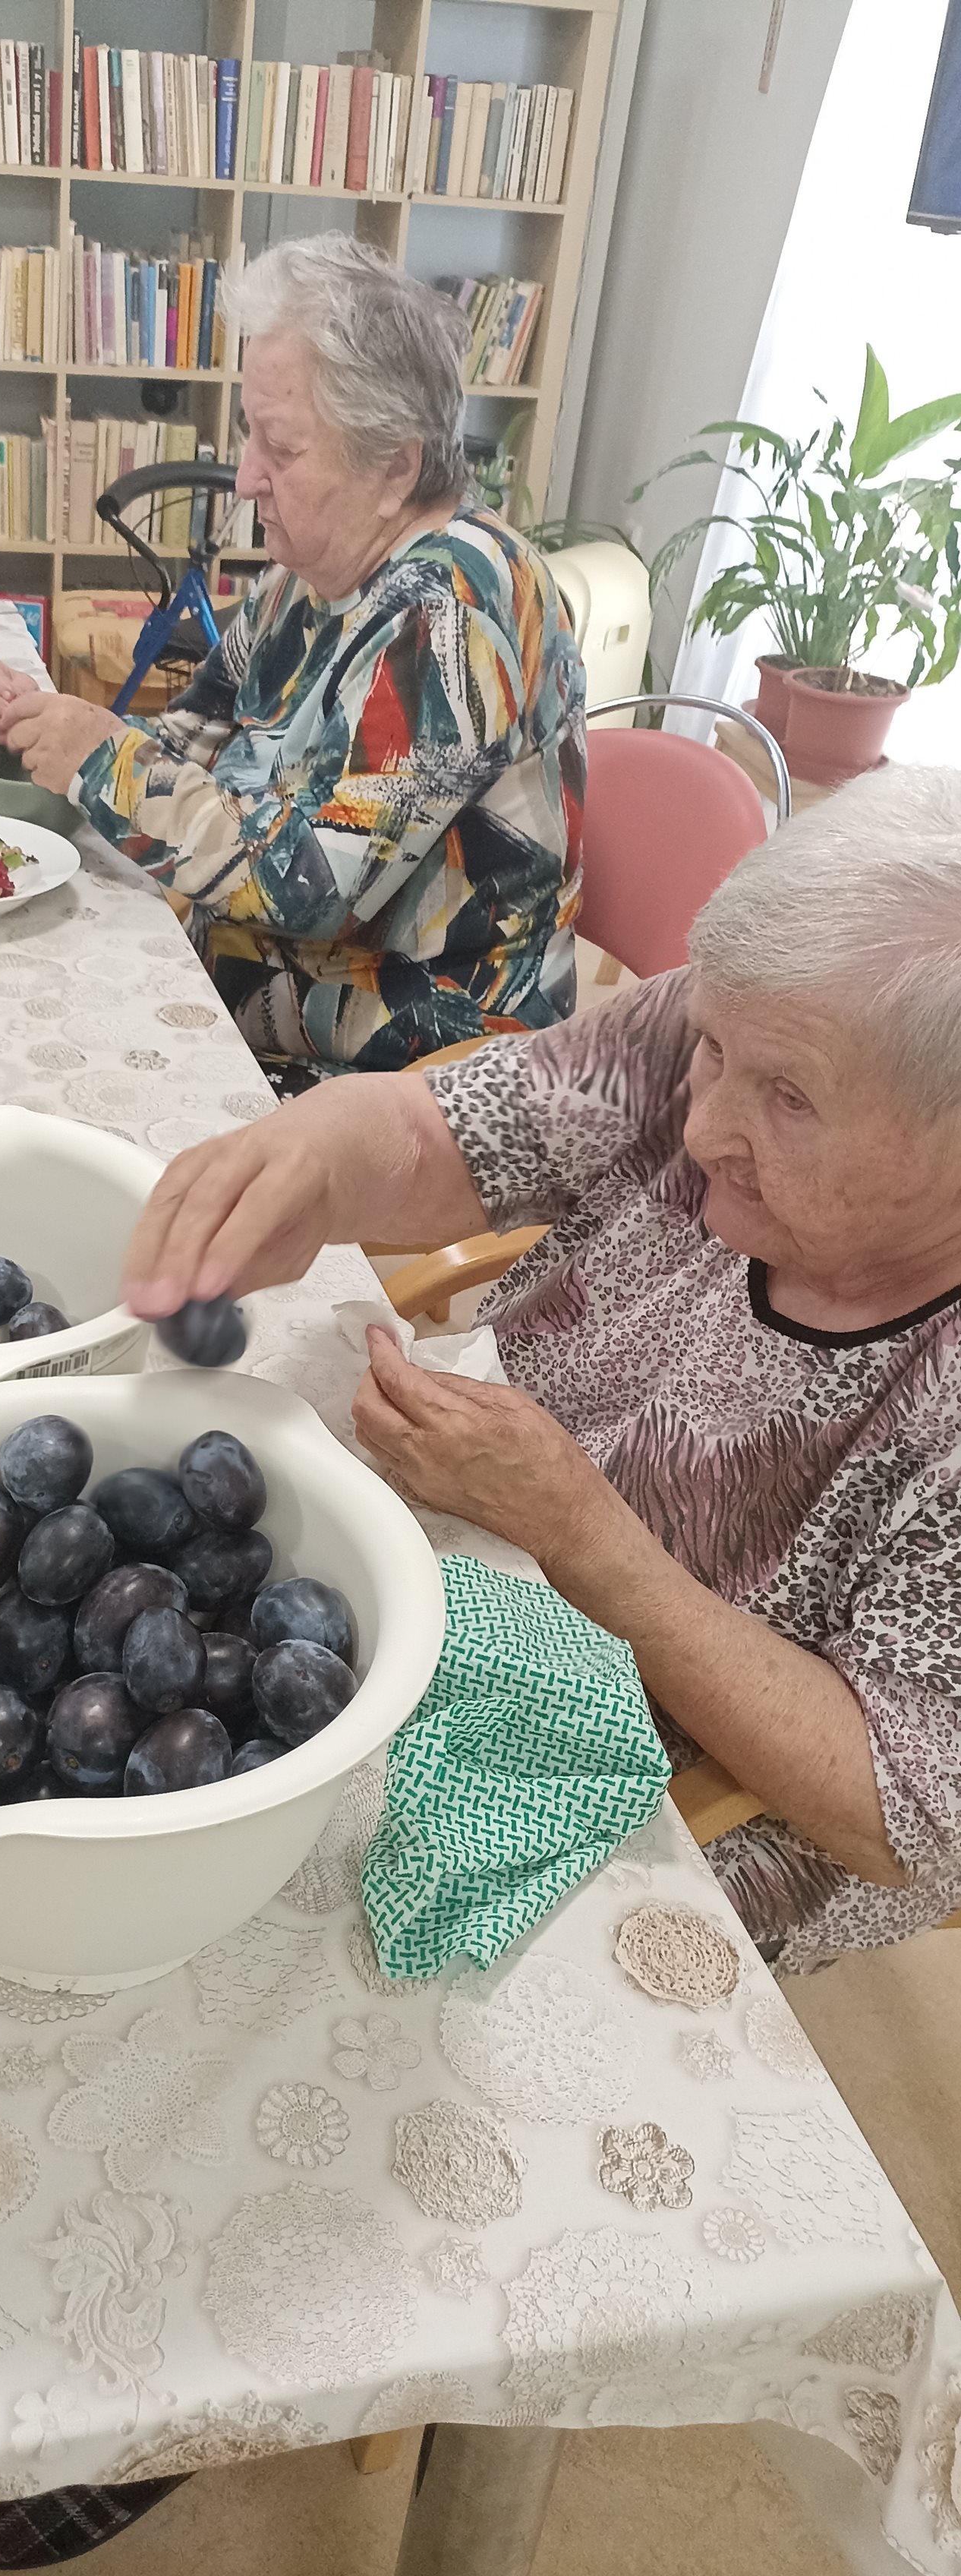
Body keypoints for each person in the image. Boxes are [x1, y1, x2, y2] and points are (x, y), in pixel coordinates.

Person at [122, 765, 961, 1975]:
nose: (703, 1126)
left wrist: (580, 1534)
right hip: (469, 1518)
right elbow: (454, 1134)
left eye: (788, 1100)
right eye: (712, 1049)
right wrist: (319, 1153)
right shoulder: (762, 1014)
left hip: (671, 1771)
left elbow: (900, 1811)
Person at [0, 233, 584, 1085]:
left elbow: (312, 884)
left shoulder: (448, 615)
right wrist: (36, 729)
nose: (246, 478)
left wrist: (100, 759)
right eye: (251, 435)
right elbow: (193, 743)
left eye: (281, 449)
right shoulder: (313, 576)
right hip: (266, 1001)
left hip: (410, 1078)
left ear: (395, 468)